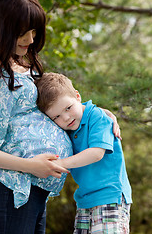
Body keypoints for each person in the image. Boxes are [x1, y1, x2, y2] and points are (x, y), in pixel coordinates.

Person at [0, 0, 120, 233]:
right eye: (22, 33)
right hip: (9, 186)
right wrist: (29, 165)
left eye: (33, 31)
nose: (30, 39)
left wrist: (99, 114)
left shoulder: (14, 59)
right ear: (1, 27)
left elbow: (57, 102)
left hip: (32, 186)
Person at [35, 72, 132, 234]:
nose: (65, 118)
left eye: (68, 108)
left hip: (109, 195)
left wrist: (61, 164)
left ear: (78, 97)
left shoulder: (96, 116)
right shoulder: (69, 127)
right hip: (84, 199)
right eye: (57, 116)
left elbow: (96, 153)